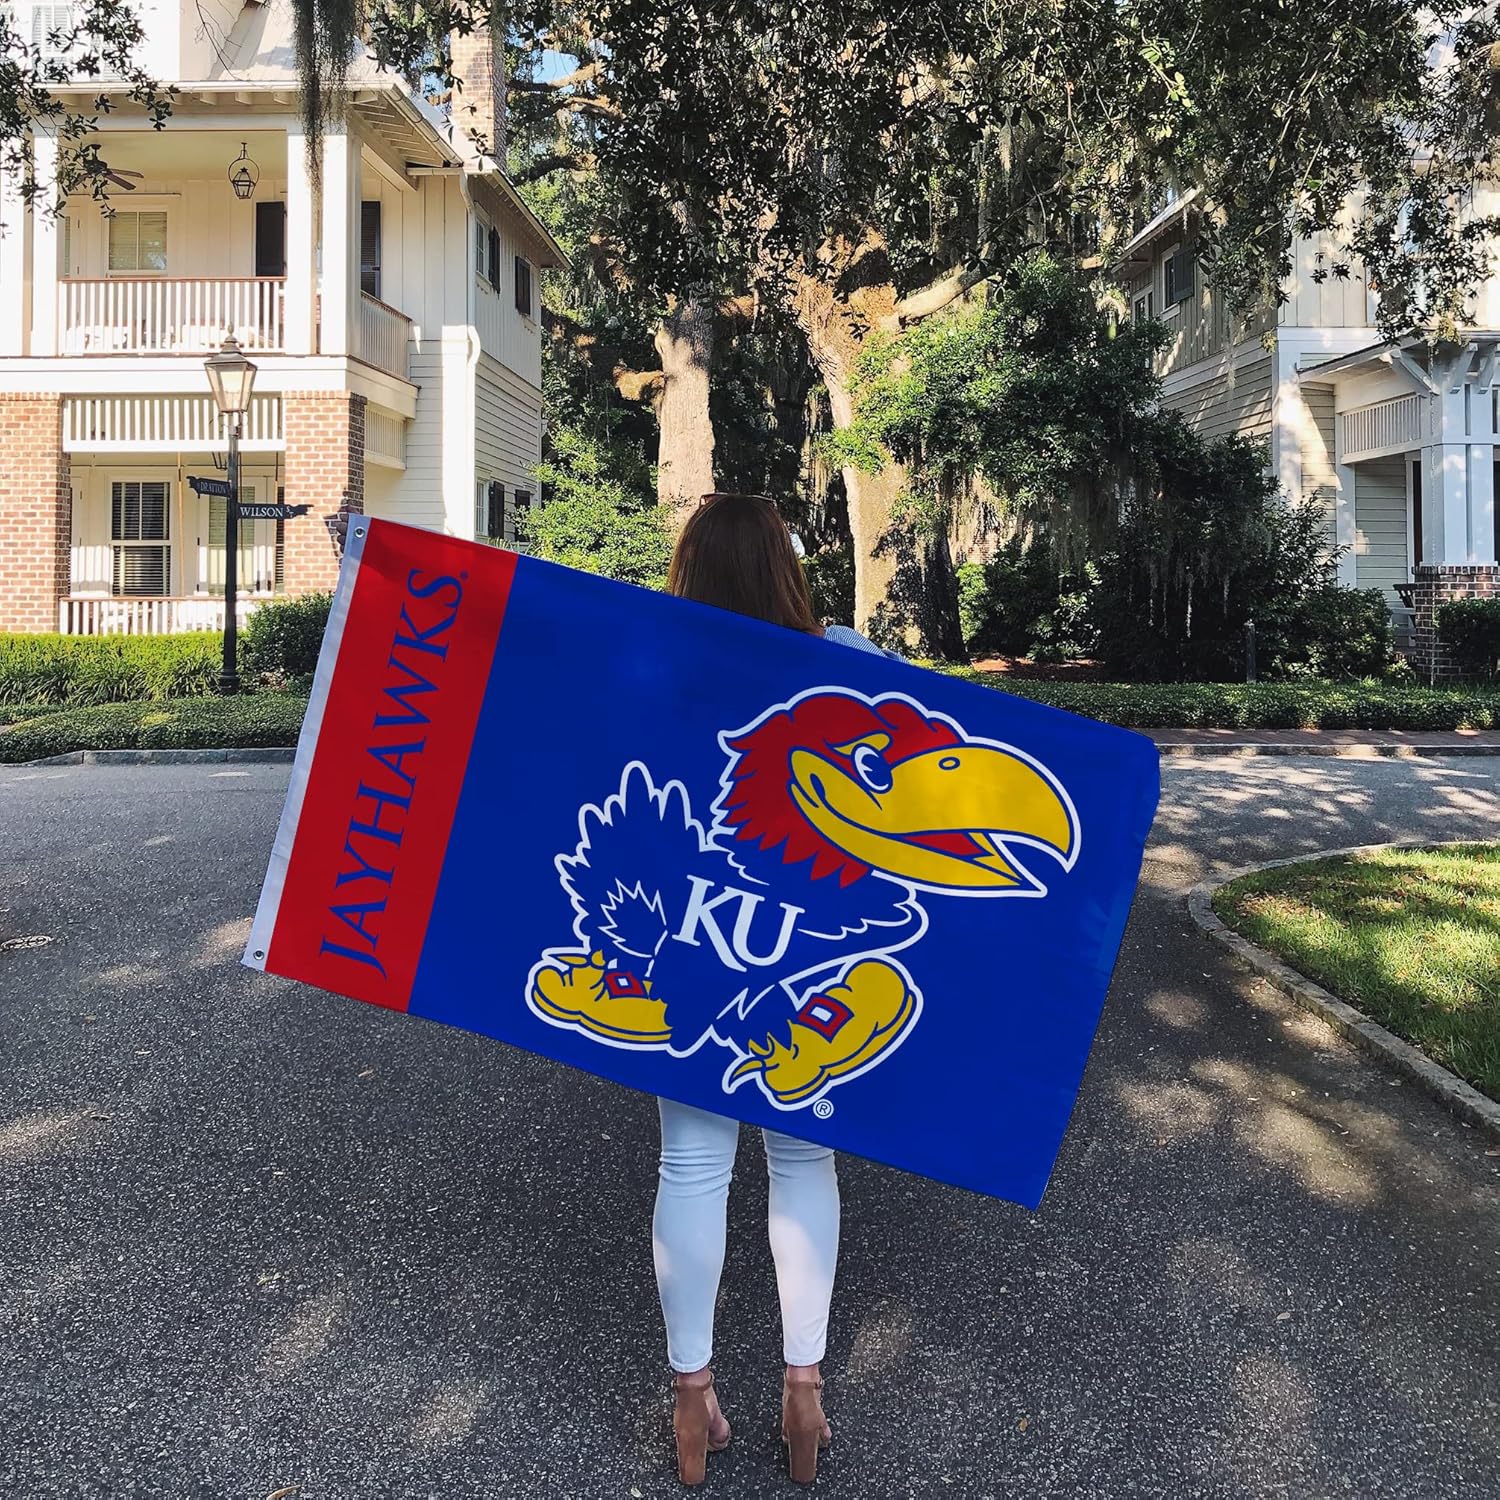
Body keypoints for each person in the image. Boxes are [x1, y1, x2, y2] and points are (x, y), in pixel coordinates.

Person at [654, 492, 887, 1486]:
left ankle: (692, 1400)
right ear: (787, 566)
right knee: (803, 1162)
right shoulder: (852, 658)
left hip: (694, 956)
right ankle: (804, 1392)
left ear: (691, 571)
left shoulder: (657, 659)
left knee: (692, 1166)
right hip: (810, 961)